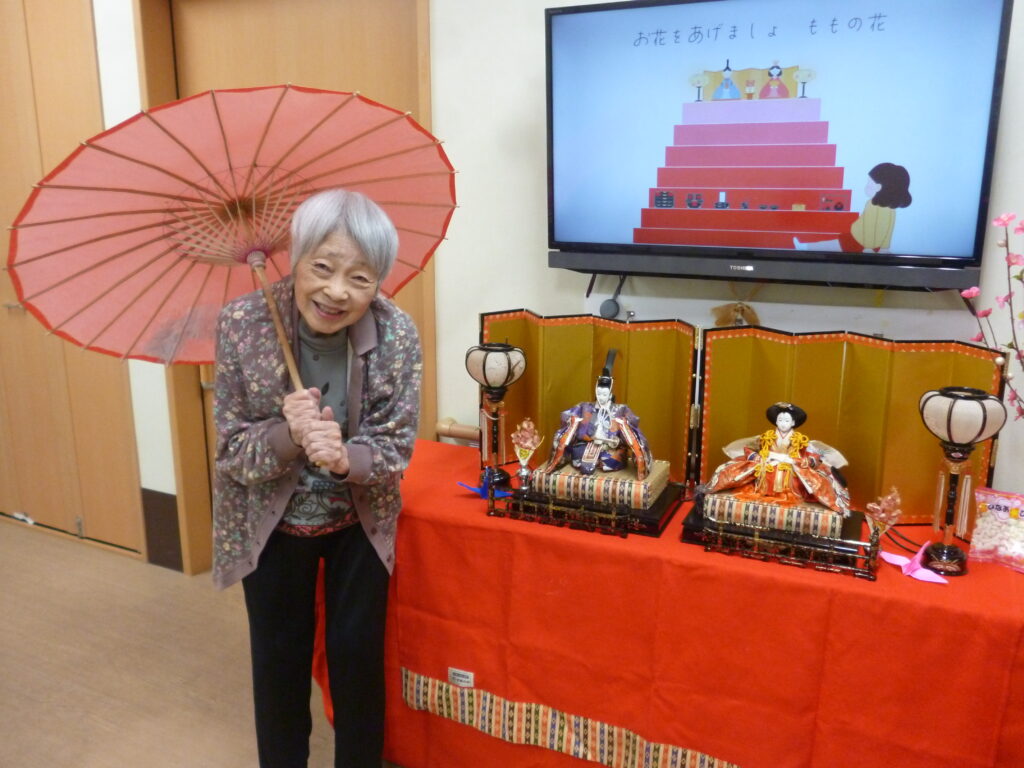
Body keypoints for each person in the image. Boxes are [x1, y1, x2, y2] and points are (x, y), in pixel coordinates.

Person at [212, 188, 422, 768]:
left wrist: (345, 458)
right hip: (270, 525)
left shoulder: (398, 334)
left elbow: (396, 445)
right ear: (296, 258)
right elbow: (232, 452)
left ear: (378, 282)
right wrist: (288, 433)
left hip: (359, 521)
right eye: (323, 268)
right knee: (278, 668)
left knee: (358, 665)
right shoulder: (242, 324)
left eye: (360, 277)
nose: (337, 292)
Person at [703, 402, 850, 514]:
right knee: (740, 472)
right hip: (768, 464)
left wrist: (793, 460)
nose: (783, 424)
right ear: (776, 422)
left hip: (790, 467)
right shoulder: (767, 437)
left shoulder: (799, 440)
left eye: (787, 421)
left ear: (793, 423)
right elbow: (749, 449)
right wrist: (762, 457)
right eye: (780, 420)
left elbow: (813, 457)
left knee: (807, 480)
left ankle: (788, 493)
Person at [544, 350, 653, 480]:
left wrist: (621, 429)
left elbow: (632, 432)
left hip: (610, 447)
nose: (601, 397)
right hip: (588, 445)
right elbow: (569, 419)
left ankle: (603, 462)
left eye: (604, 394)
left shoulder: (620, 409)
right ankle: (588, 462)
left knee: (612, 459)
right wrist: (575, 422)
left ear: (610, 394)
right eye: (599, 393)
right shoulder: (585, 407)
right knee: (578, 454)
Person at [794, 162, 912, 253]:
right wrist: (885, 247)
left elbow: (870, 228)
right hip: (864, 241)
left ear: (878, 187)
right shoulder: (890, 209)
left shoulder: (873, 205)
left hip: (859, 241)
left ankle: (805, 247)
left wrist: (868, 247)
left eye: (869, 183)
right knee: (835, 243)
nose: (866, 186)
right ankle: (805, 247)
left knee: (834, 244)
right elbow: (888, 230)